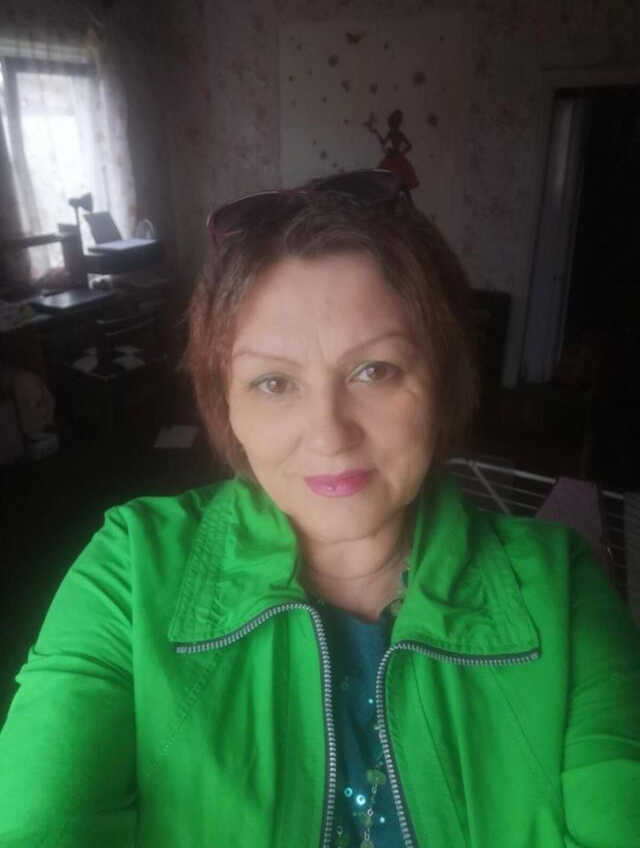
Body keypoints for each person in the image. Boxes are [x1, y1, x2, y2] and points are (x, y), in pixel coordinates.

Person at [0, 169, 639, 847]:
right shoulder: (129, 570)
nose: (329, 433)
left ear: (445, 381)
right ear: (226, 406)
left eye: (375, 371)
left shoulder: (561, 588)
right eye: (274, 382)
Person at [363, 109, 419, 203]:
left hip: (395, 156)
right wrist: (377, 133)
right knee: (387, 177)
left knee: (399, 179)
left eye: (392, 124)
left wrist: (401, 153)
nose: (391, 126)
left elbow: (409, 146)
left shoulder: (398, 134)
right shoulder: (392, 133)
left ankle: (401, 199)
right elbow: (384, 143)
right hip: (392, 155)